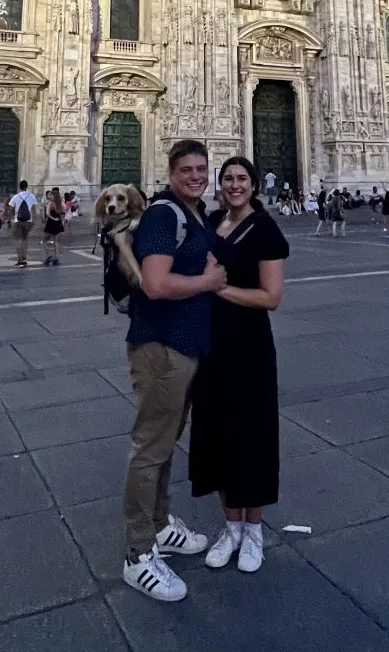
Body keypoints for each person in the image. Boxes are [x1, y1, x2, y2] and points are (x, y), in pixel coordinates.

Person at [121, 139, 227, 604]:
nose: (196, 176)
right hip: (162, 347)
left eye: (202, 168)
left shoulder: (197, 214)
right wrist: (207, 281)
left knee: (163, 445)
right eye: (187, 169)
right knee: (151, 448)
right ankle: (137, 554)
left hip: (183, 347)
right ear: (170, 172)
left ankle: (161, 526)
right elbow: (156, 283)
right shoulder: (166, 215)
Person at [190, 156, 288, 575]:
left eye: (241, 179)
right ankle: (231, 528)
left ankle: (254, 532)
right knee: (218, 431)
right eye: (228, 179)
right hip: (212, 344)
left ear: (253, 185)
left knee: (253, 434)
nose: (234, 185)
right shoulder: (211, 224)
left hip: (249, 345)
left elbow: (271, 297)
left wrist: (221, 288)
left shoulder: (265, 229)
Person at [8, 179, 38, 267]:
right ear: (26, 186)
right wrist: (34, 221)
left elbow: (10, 209)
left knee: (19, 240)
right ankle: (24, 258)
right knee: (25, 239)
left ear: (19, 187)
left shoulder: (16, 197)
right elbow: (34, 210)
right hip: (28, 221)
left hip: (18, 221)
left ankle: (19, 259)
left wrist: (10, 219)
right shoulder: (31, 196)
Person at [43, 187, 65, 265]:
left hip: (51, 223)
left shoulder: (49, 203)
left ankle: (49, 255)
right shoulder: (59, 203)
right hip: (58, 223)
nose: (49, 196)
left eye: (50, 194)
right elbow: (63, 212)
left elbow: (48, 214)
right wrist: (62, 222)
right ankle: (56, 258)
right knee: (57, 242)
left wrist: (53, 218)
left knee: (44, 241)